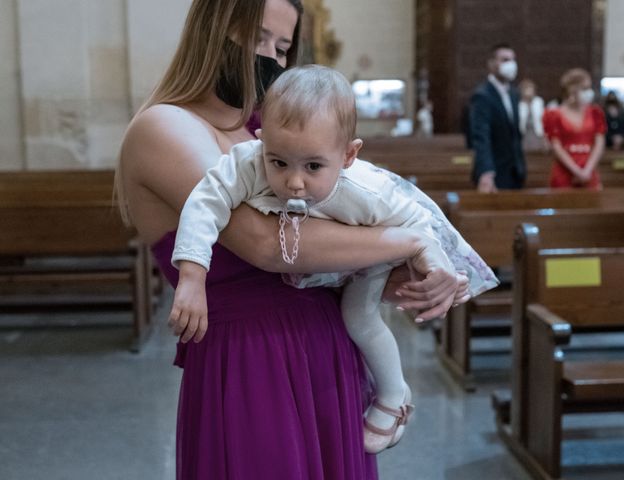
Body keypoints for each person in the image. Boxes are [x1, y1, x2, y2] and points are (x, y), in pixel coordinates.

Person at [116, 1, 462, 478]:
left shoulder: (270, 130)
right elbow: (269, 245)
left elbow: (344, 227)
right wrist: (410, 240)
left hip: (328, 348)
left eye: (281, 48)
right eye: (256, 38)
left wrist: (421, 274)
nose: (269, 58)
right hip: (251, 359)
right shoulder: (165, 126)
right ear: (211, 29)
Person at [171, 65, 498, 454]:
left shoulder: (368, 191)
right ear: (261, 141)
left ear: (348, 155)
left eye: (313, 167)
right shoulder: (250, 162)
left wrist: (437, 266)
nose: (294, 181)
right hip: (314, 261)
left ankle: (394, 395)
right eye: (279, 162)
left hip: (366, 251)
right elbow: (205, 202)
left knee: (359, 318)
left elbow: (419, 224)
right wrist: (192, 275)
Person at [469, 43, 525, 192]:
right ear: (492, 64)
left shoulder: (514, 94)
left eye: (513, 60)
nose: (511, 64)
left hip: (515, 172)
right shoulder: (482, 95)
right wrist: (486, 172)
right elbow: (481, 137)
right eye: (505, 60)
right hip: (495, 172)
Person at [542, 68, 606, 189]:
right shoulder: (554, 114)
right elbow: (556, 147)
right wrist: (577, 172)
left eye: (589, 88)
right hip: (564, 172)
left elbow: (599, 143)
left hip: (589, 169)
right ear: (572, 90)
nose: (589, 92)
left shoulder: (595, 113)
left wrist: (586, 171)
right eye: (584, 88)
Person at [518, 78, 546, 152]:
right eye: (527, 89)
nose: (529, 91)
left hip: (537, 133)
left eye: (531, 89)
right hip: (524, 134)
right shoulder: (519, 104)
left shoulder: (538, 102)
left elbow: (542, 118)